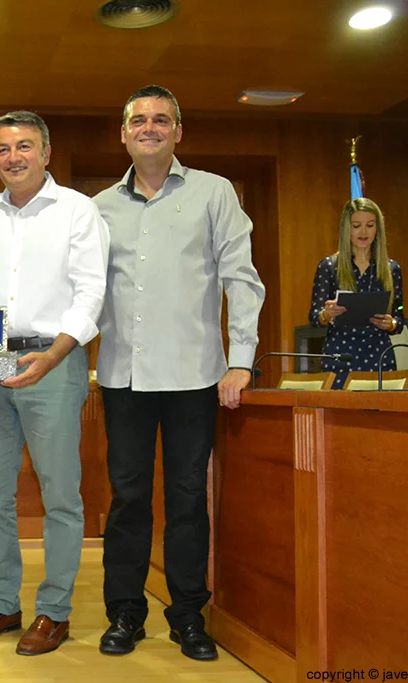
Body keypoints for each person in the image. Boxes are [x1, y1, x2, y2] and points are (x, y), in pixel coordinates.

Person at [93, 85, 265, 661]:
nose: (149, 127)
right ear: (123, 133)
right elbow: (83, 294)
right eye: (138, 119)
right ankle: (125, 613)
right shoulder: (97, 209)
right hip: (123, 378)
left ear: (178, 132)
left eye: (161, 119)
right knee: (127, 500)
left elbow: (242, 279)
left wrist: (241, 358)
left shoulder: (215, 194)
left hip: (195, 377)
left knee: (189, 499)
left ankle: (189, 615)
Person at [0, 111, 109, 656]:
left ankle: (54, 612)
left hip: (56, 362)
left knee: (60, 495)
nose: (13, 157)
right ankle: (3, 604)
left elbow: (91, 293)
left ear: (46, 152)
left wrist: (56, 354)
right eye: (2, 149)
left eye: (24, 146)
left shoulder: (78, 210)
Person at [309, 197, 404, 389]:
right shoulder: (329, 266)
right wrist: (327, 314)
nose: (363, 232)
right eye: (356, 225)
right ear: (347, 229)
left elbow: (400, 319)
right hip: (340, 357)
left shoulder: (391, 269)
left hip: (379, 357)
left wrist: (391, 323)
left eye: (369, 225)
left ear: (378, 229)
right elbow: (314, 318)